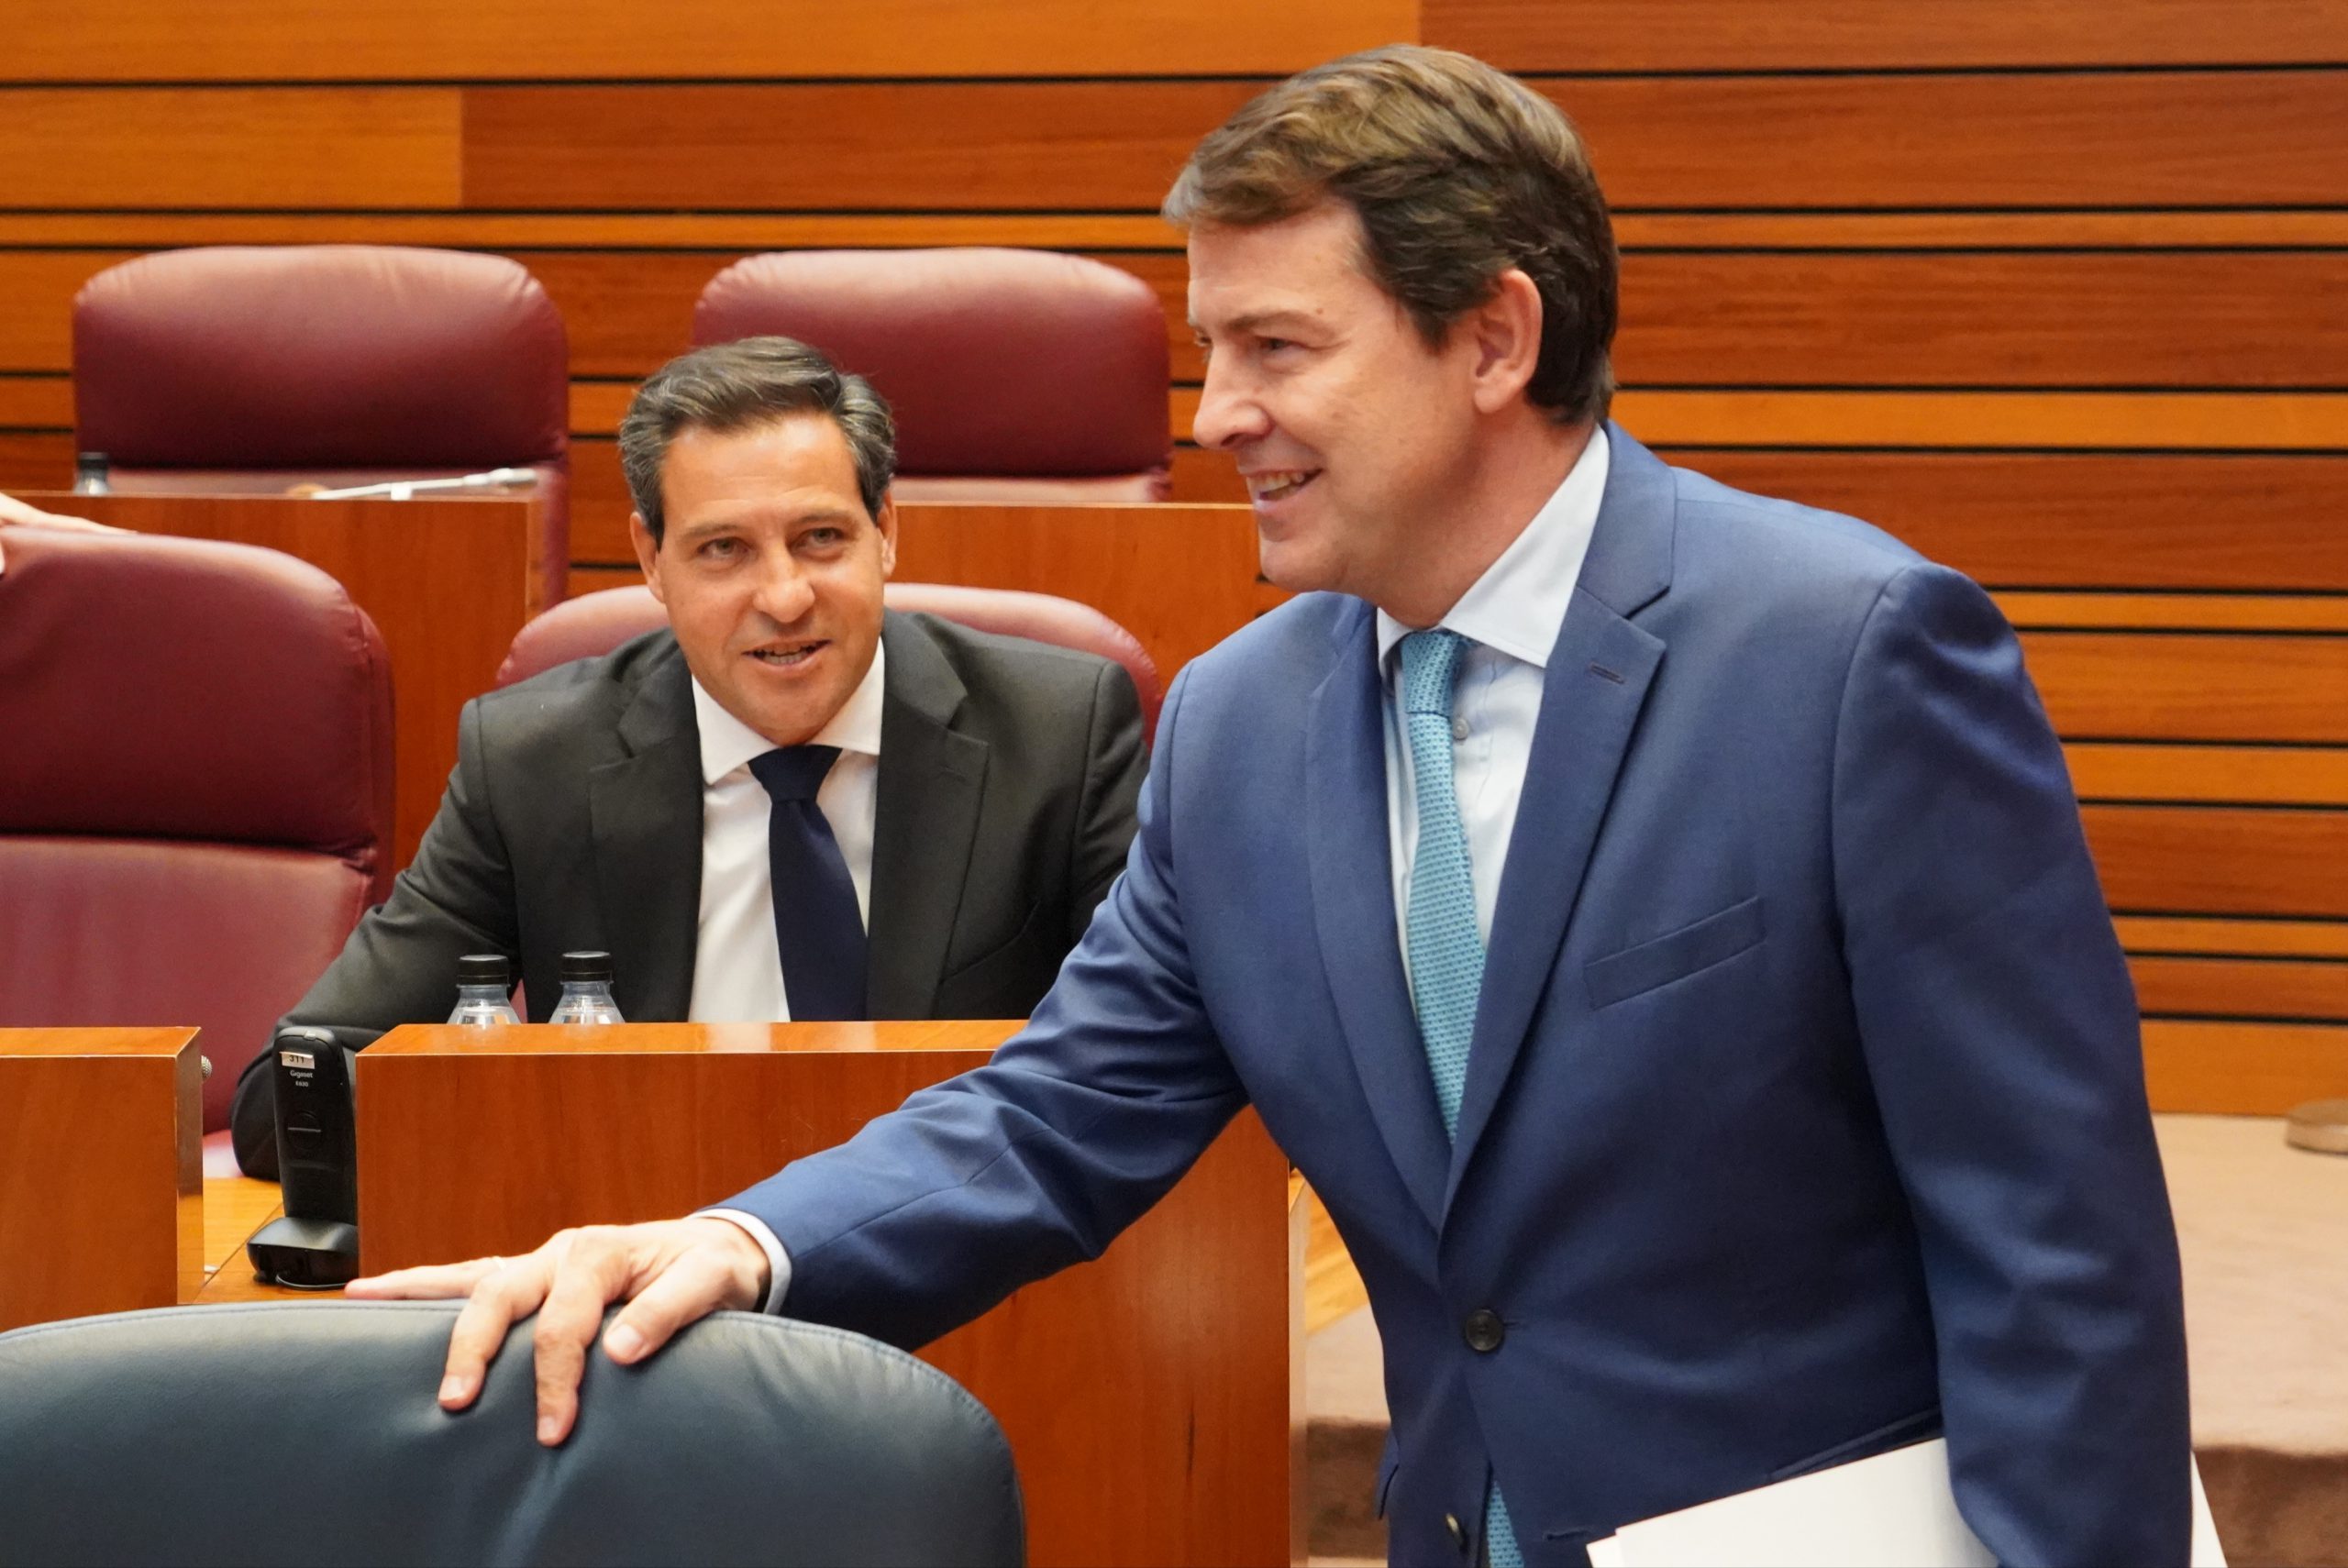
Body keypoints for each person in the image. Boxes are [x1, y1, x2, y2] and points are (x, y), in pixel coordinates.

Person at [353, 49, 2190, 1563]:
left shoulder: (1847, 656)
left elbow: (2055, 1253)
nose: (1214, 410)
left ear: (1489, 339)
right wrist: (731, 1245)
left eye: (1275, 349)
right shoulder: (1234, 724)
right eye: (1207, 348)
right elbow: (1056, 1113)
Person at [232, 337, 1146, 1176]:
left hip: (964, 1251)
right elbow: (289, 1102)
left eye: (821, 538)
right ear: (651, 560)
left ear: (886, 531)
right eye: (724, 551)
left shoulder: (1057, 734)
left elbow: (1149, 1059)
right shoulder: (533, 761)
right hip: (641, 1269)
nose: (784, 597)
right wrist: (515, 1101)